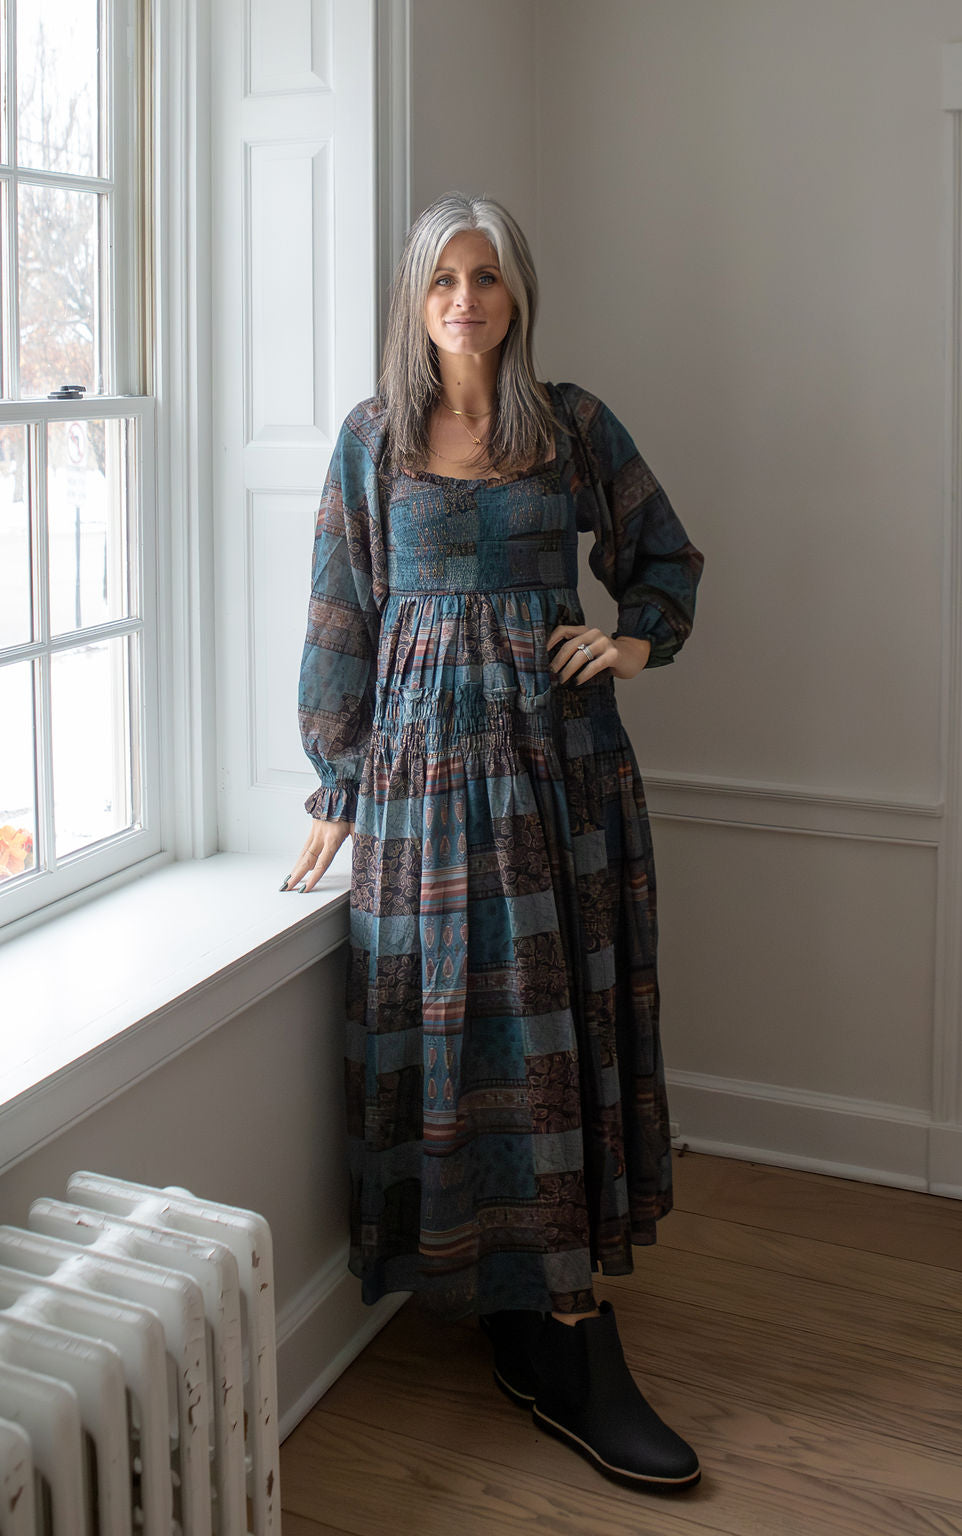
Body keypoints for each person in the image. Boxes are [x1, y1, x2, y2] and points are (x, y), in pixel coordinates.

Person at [284, 192, 705, 1490]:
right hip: (423, 789)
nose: (464, 300)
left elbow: (666, 557)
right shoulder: (374, 440)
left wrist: (630, 643)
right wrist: (335, 784)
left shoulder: (572, 426)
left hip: (561, 778)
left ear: (517, 294)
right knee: (463, 1033)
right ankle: (514, 1313)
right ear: (415, 301)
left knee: (556, 1032)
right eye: (442, 280)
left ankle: (575, 1333)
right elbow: (342, 613)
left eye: (486, 277)